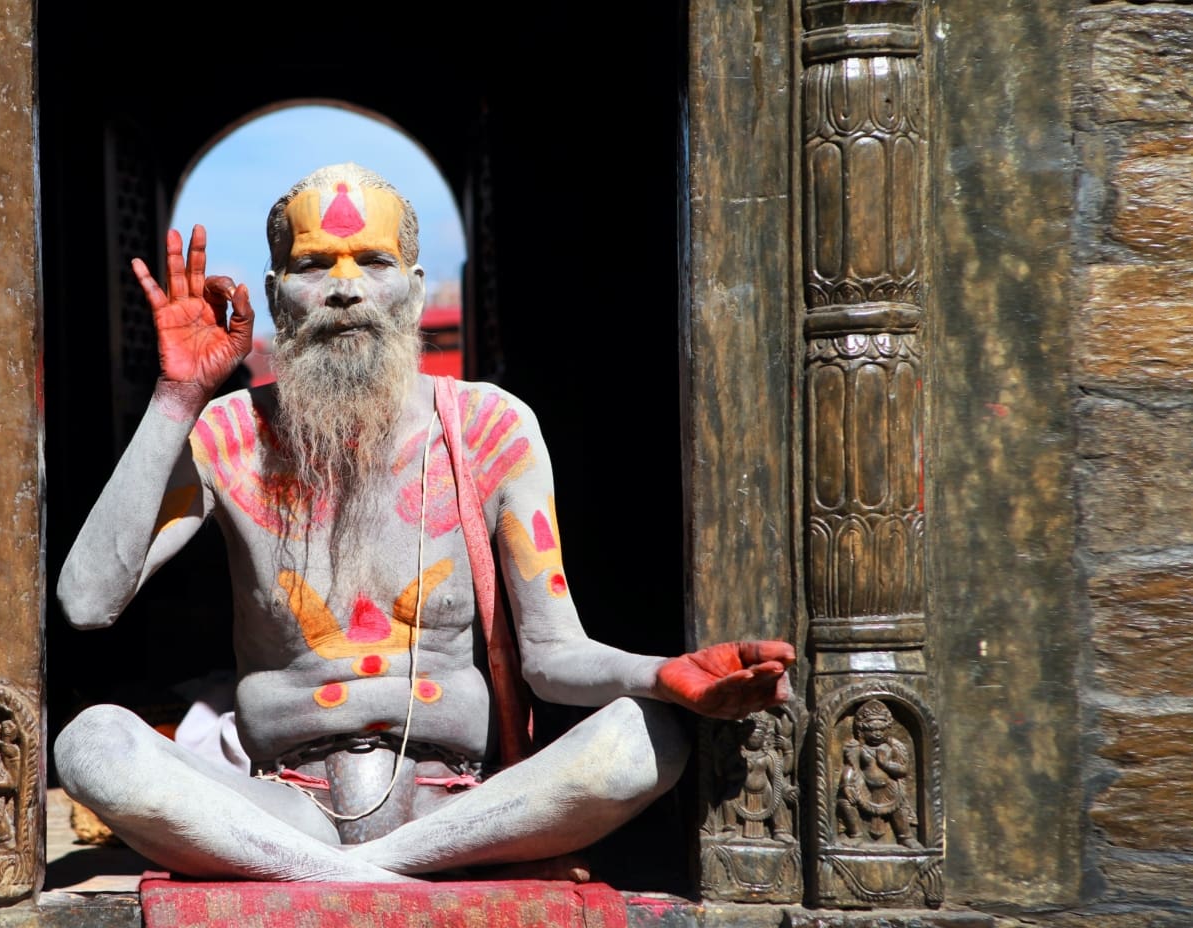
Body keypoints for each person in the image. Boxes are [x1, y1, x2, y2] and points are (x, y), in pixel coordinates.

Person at [54, 163, 795, 882]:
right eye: (314, 265)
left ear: (411, 291)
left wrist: (661, 675)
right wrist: (175, 398)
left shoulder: (490, 430)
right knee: (92, 743)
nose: (344, 287)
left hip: (468, 805)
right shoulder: (228, 435)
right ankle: (383, 874)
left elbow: (550, 655)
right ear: (278, 298)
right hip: (284, 808)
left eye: (372, 260)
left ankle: (347, 876)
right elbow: (86, 604)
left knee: (650, 737)